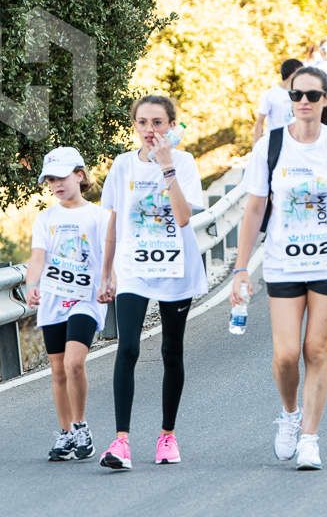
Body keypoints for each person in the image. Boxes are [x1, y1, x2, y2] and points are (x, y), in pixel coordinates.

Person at [231, 66, 327, 470]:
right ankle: (289, 412)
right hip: (283, 264)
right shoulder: (270, 145)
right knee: (285, 354)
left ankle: (311, 438)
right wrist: (240, 269)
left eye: (312, 96)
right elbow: (253, 210)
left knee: (315, 348)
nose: (303, 102)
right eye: (297, 95)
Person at [98, 95, 208, 470]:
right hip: (133, 269)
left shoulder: (186, 163)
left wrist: (167, 168)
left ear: (172, 126)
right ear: (134, 125)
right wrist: (106, 271)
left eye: (158, 122)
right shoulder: (123, 165)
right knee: (127, 347)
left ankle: (167, 436)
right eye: (143, 122)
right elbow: (113, 221)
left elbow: (181, 217)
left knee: (171, 352)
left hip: (176, 270)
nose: (150, 130)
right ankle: (121, 442)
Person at [25, 147, 108, 462]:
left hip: (86, 299)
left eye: (61, 177)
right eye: (50, 179)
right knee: (58, 369)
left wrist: (108, 282)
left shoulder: (99, 216)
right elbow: (37, 258)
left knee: (75, 362)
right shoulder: (46, 218)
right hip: (53, 298)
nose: (56, 184)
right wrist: (32, 286)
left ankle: (80, 425)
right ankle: (65, 433)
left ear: (80, 175)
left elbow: (108, 256)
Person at [253, 58, 303, 142]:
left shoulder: (303, 93)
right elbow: (259, 122)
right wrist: (256, 148)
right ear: (292, 74)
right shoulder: (270, 94)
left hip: (296, 142)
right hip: (276, 142)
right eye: (301, 72)